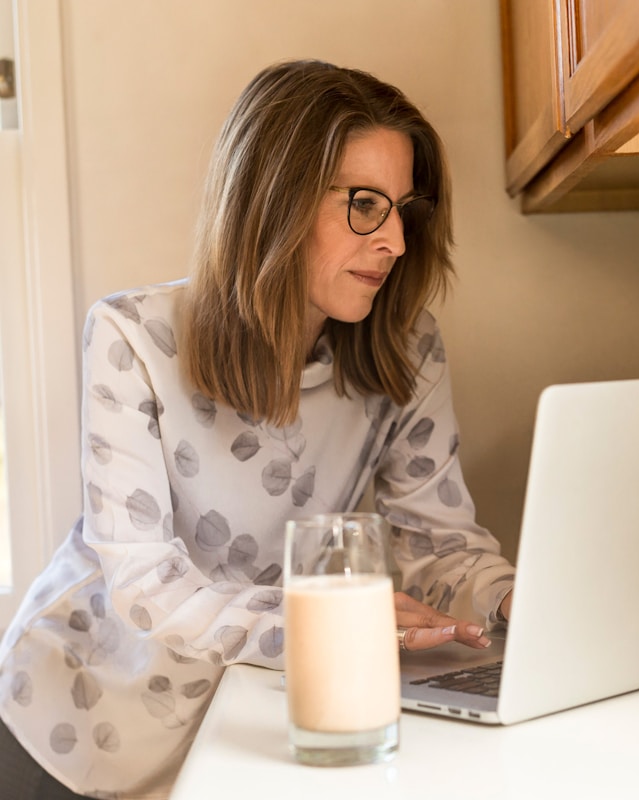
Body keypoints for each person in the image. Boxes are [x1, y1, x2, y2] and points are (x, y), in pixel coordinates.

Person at [0, 59, 515, 799]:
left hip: (239, 725)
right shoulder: (131, 337)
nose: (396, 241)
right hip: (71, 726)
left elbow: (441, 546)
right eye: (365, 204)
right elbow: (147, 585)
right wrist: (334, 622)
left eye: (404, 209)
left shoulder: (406, 347)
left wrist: (512, 600)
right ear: (273, 198)